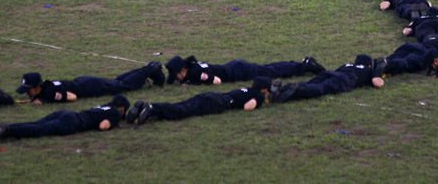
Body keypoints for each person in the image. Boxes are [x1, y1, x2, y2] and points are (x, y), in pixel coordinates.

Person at [0, 97, 127, 142]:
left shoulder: (103, 107)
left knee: (36, 123)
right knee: (39, 129)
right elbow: (103, 126)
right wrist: (114, 123)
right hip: (72, 123)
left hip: (67, 113)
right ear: (121, 108)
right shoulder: (114, 113)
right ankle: (7, 130)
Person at [127, 81, 267, 125]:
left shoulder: (247, 89)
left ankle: (146, 108)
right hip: (216, 103)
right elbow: (248, 107)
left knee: (180, 106)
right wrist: (261, 101)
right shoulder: (258, 95)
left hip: (212, 96)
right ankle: (151, 108)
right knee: (182, 111)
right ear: (263, 89)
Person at [16, 63, 165, 103]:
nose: (27, 93)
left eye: (28, 90)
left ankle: (151, 68)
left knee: (123, 86)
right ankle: (147, 68)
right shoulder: (46, 87)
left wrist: (44, 100)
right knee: (118, 82)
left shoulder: (49, 92)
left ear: (37, 87)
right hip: (84, 81)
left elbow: (72, 97)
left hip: (89, 87)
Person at [271, 55, 383, 102]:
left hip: (333, 73)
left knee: (310, 83)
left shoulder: (348, 64)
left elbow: (335, 71)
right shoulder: (368, 71)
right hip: (346, 78)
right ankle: (293, 92)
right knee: (321, 88)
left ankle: (283, 89)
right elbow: (377, 82)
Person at [165, 54, 322, 85]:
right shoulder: (194, 67)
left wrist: (194, 83)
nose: (176, 78)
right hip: (236, 66)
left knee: (272, 72)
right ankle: (301, 64)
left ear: (183, 70)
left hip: (239, 72)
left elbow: (217, 81)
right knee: (269, 69)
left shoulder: (195, 73)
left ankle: (306, 66)